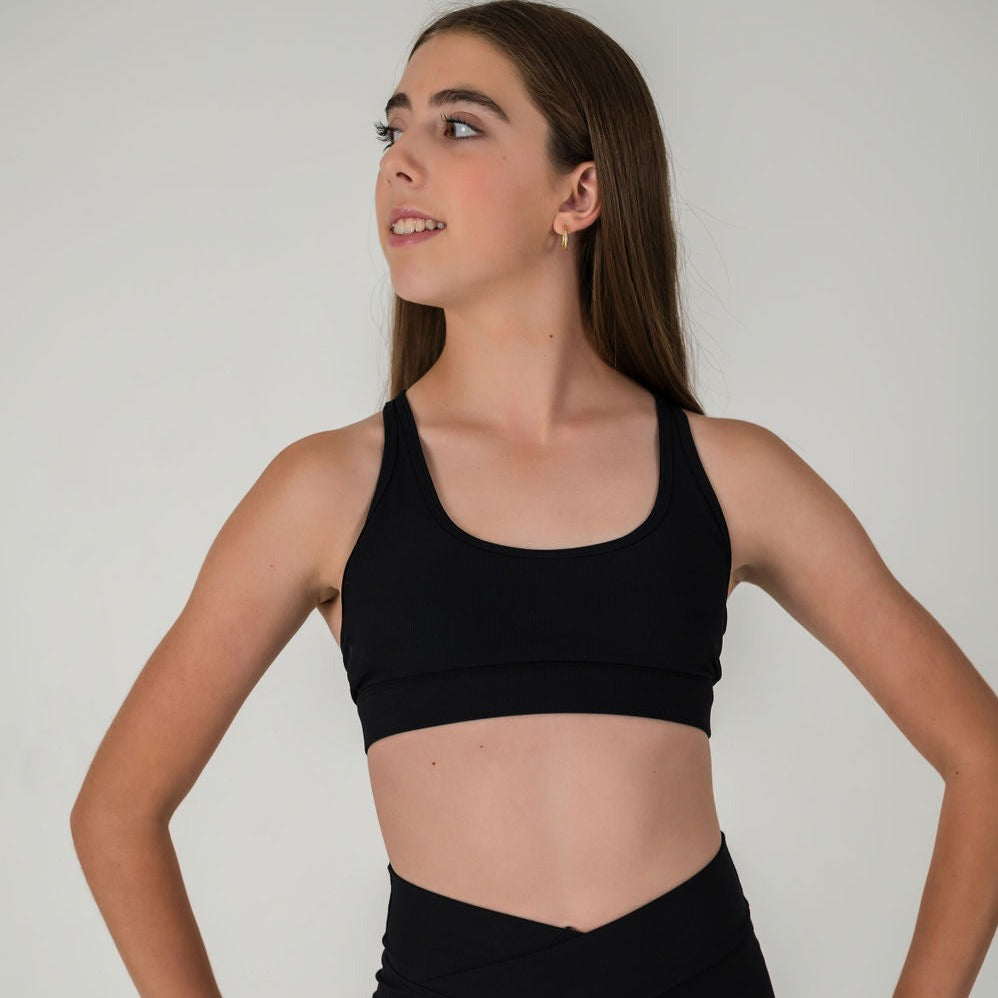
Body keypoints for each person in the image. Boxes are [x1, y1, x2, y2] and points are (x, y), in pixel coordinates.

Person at [70, 2, 998, 996]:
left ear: (578, 192)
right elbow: (116, 811)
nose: (401, 161)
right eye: (393, 129)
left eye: (457, 125)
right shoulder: (326, 490)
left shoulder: (733, 475)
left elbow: (981, 757)